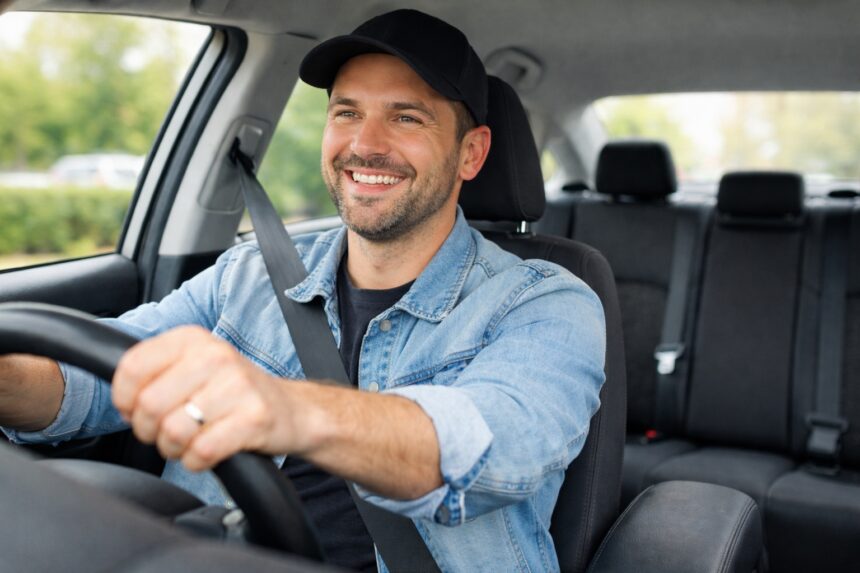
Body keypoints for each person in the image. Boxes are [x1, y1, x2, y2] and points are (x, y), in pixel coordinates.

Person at [0, 8, 605, 572]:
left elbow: (491, 447)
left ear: (471, 154)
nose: (365, 145)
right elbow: (100, 374)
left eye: (406, 117)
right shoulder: (248, 274)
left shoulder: (546, 303)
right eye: (346, 113)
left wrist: (287, 409)